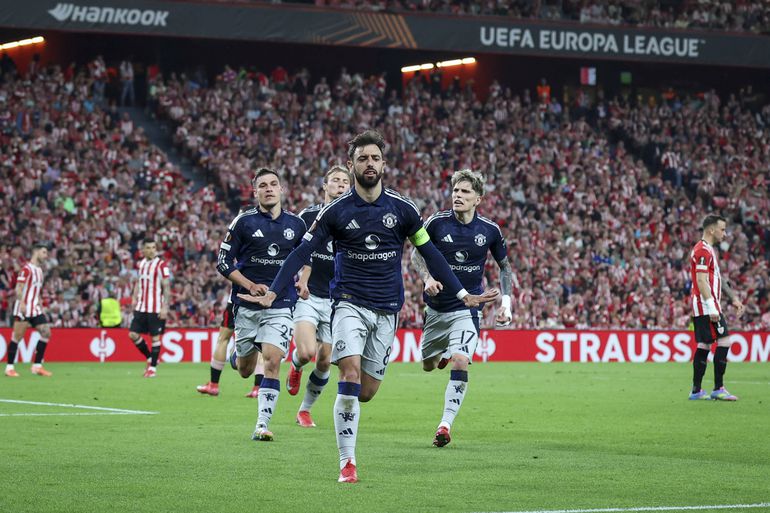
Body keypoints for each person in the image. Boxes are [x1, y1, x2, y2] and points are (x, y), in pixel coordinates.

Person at [240, 130, 498, 483]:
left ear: (383, 164)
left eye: (375, 158)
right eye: (363, 158)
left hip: (387, 308)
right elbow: (301, 251)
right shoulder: (335, 212)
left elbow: (430, 253)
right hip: (348, 302)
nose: (370, 164)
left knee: (366, 391)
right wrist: (273, 290)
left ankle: (341, 403)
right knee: (347, 373)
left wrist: (462, 294)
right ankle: (348, 463)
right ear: (352, 165)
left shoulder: (404, 210)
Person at [411, 169, 513, 447]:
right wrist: (427, 278)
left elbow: (504, 267)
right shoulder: (436, 223)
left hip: (468, 309)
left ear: (477, 199)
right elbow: (415, 254)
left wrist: (506, 304)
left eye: (465, 192)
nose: (458, 195)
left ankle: (445, 425)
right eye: (456, 190)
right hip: (436, 309)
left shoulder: (489, 230)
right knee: (429, 366)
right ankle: (441, 353)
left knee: (460, 361)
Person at [216, 167, 307, 441]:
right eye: (263, 186)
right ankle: (238, 354)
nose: (269, 188)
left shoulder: (296, 225)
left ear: (282, 190)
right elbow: (223, 262)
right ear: (255, 192)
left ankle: (262, 424)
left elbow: (307, 258)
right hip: (247, 304)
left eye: (273, 184)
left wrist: (303, 280)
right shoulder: (243, 222)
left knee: (272, 361)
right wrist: (249, 285)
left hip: (282, 303)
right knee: (244, 370)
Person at [287, 165, 352, 428]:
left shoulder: (351, 219)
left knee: (325, 361)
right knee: (306, 353)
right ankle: (296, 365)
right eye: (335, 180)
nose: (340, 184)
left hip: (336, 299)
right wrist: (301, 277)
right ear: (324, 186)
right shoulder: (308, 215)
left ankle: (305, 410)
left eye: (345, 182)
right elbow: (298, 251)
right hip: (309, 296)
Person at [688, 214, 744, 401]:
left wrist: (733, 298)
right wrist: (712, 307)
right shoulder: (702, 250)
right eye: (722, 229)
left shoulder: (708, 250)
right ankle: (718, 388)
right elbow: (701, 280)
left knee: (704, 344)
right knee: (724, 341)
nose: (725, 233)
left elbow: (718, 279)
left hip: (706, 304)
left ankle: (696, 390)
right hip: (706, 305)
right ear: (711, 230)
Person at [195, 286, 265, 398]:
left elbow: (232, 271)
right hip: (265, 299)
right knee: (261, 342)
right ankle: (258, 388)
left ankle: (213, 385)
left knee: (223, 338)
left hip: (238, 299)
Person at [5, 242, 54, 377]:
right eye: (44, 252)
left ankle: (37, 366)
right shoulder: (26, 269)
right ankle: (9, 368)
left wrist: (41, 307)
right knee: (17, 337)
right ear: (36, 252)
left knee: (46, 333)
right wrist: (21, 303)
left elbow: (37, 291)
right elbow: (19, 287)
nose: (46, 255)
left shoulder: (39, 271)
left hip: (35, 309)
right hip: (24, 308)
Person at [127, 239, 171, 378]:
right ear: (143, 250)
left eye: (153, 247)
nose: (151, 250)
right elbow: (138, 283)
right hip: (141, 306)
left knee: (155, 338)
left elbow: (167, 287)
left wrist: (165, 308)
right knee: (133, 334)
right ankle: (150, 358)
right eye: (148, 247)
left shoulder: (161, 265)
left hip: (156, 307)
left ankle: (152, 368)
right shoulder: (142, 264)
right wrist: (134, 298)